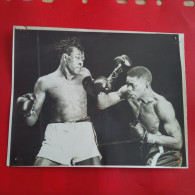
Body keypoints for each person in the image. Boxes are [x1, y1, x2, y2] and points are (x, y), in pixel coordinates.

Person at [17, 37, 101, 166]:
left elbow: (99, 97)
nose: (81, 62)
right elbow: (31, 121)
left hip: (83, 130)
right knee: (38, 171)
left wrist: (103, 86)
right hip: (57, 133)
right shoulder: (45, 82)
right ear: (65, 57)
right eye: (78, 57)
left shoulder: (85, 74)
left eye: (83, 59)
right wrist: (26, 112)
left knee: (96, 176)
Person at [97, 66, 183, 167]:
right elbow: (102, 104)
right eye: (127, 84)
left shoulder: (160, 105)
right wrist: (102, 88)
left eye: (132, 85)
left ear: (146, 86)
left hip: (165, 154)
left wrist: (146, 137)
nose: (129, 88)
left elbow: (178, 142)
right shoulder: (128, 93)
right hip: (147, 152)